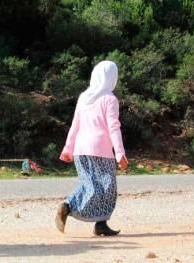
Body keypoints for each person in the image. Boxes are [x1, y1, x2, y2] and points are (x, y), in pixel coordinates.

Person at [55, 60, 128, 236]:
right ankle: (70, 207)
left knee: (88, 184)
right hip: (100, 150)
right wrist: (120, 153)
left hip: (80, 149)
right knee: (107, 188)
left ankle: (99, 224)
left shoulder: (84, 97)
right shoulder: (109, 99)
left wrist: (68, 148)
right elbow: (113, 127)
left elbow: (75, 124)